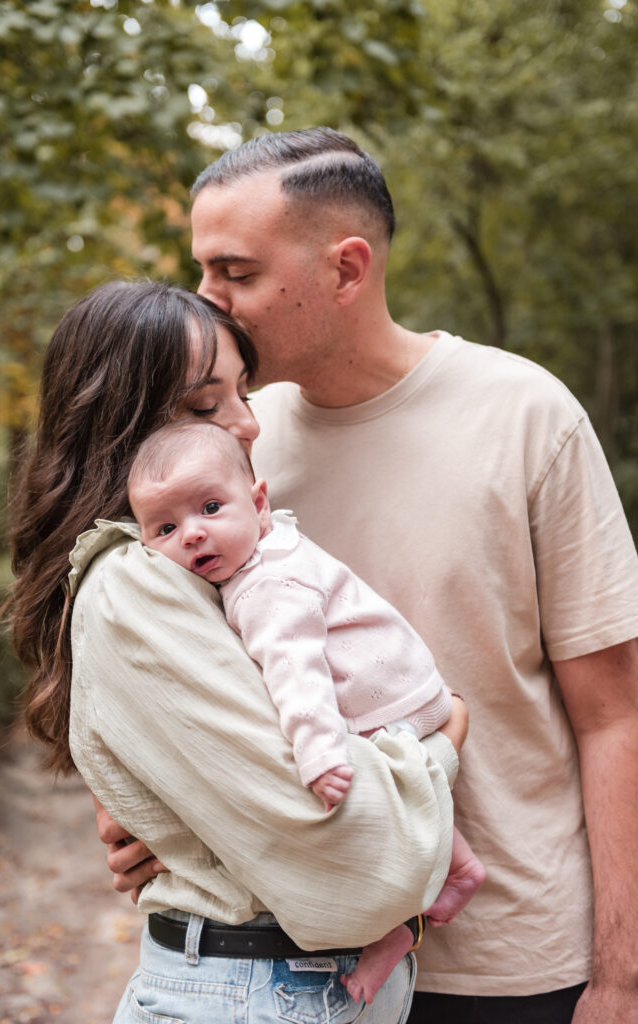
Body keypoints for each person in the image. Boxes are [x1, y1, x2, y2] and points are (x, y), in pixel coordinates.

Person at [101, 129, 638, 1024]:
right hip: (297, 962)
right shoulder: (223, 446)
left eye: (235, 272)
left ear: (347, 269)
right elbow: (177, 673)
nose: (209, 303)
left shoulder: (526, 416)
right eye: (201, 272)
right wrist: (142, 816)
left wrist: (624, 977)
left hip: (512, 964)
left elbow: (616, 712)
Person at [7, 277, 461, 1024]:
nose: (245, 425)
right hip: (257, 987)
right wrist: (446, 735)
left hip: (290, 980)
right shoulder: (133, 586)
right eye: (201, 405)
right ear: (116, 426)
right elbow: (357, 864)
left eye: (242, 393)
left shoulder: (208, 566)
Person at [126, 417, 486, 1003]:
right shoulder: (272, 550)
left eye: (211, 507)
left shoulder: (266, 585)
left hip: (380, 710)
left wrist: (320, 755)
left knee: (359, 821)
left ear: (259, 502)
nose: (192, 534)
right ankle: (459, 868)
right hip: (401, 691)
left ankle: (396, 925)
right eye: (166, 527)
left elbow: (299, 674)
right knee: (408, 800)